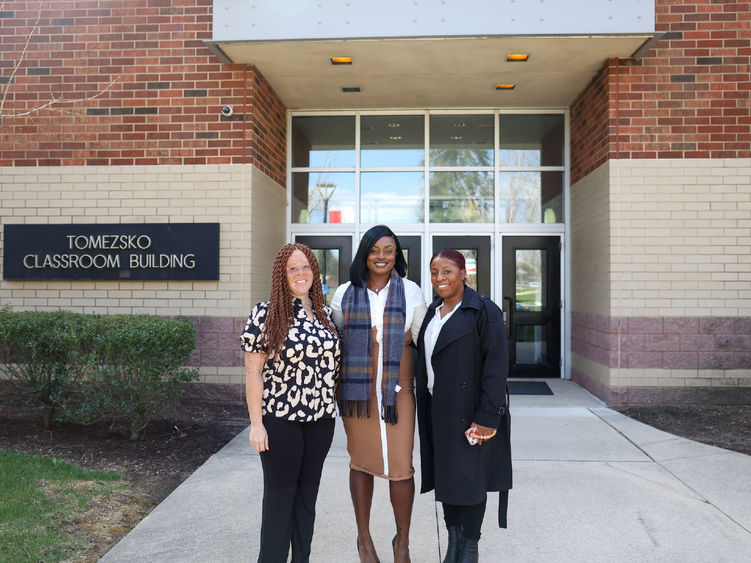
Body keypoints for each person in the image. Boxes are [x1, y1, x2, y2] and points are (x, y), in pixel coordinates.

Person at [330, 225, 427, 563]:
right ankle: (364, 540)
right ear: (364, 254)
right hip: (356, 391)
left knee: (401, 464)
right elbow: (339, 337)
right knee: (362, 460)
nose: (382, 256)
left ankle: (402, 541)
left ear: (396, 255)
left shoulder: (412, 291)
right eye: (375, 250)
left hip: (397, 388)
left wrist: (384, 340)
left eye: (389, 250)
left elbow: (416, 338)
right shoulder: (344, 292)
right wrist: (376, 340)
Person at [240, 243, 341, 563]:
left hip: (321, 423)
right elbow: (253, 372)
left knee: (306, 500)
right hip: (280, 421)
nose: (301, 273)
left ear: (315, 272)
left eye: (306, 267)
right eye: (293, 268)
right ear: (281, 276)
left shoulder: (325, 317)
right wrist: (256, 424)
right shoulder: (266, 313)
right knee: (279, 500)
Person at [415, 249, 512, 563]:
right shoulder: (432, 312)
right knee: (447, 479)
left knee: (471, 481)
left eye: (447, 271)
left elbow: (496, 369)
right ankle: (453, 540)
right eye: (434, 273)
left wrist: (488, 417)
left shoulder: (484, 311)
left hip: (472, 413)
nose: (439, 278)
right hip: (438, 410)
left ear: (463, 274)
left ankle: (470, 546)